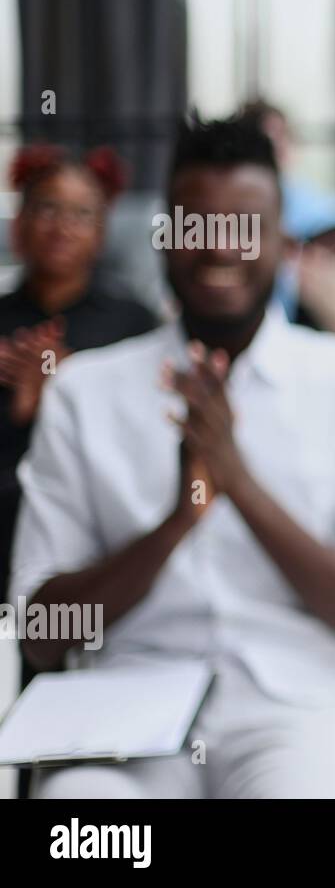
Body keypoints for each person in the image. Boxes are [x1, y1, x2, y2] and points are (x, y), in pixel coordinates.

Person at [11, 111, 335, 798]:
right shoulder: (87, 393)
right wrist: (178, 521)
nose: (219, 248)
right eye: (196, 225)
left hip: (301, 705)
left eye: (245, 226)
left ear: (282, 243)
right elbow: (42, 634)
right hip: (125, 708)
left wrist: (237, 481)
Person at [0, 143, 157, 799]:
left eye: (79, 214)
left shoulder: (133, 327)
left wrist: (60, 404)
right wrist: (25, 415)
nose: (60, 227)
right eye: (46, 210)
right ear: (19, 222)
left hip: (96, 555)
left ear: (102, 229)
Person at [240, 98, 335, 334]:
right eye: (266, 144)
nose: (276, 152)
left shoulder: (321, 219)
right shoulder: (226, 220)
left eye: (282, 140)